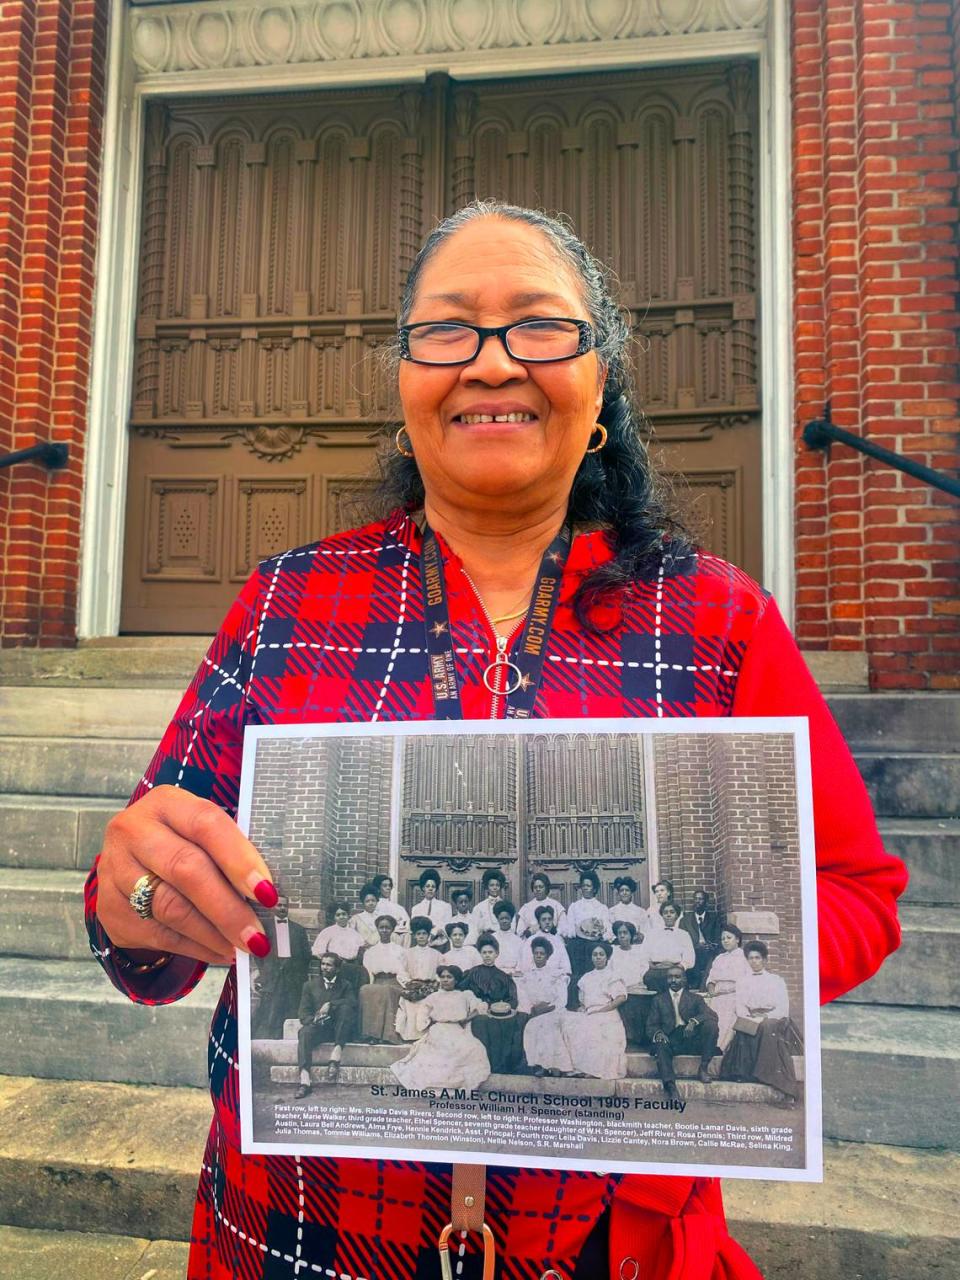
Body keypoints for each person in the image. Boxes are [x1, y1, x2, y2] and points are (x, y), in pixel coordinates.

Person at [87, 199, 906, 1279]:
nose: (490, 362)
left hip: (604, 1239)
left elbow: (857, 887)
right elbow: (138, 918)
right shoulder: (286, 602)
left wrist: (743, 954)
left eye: (539, 325)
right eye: (446, 331)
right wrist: (135, 896)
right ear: (405, 382)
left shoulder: (718, 618)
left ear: (602, 375)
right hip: (297, 1235)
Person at [720, 941, 801, 1106]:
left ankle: (779, 1082)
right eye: (751, 958)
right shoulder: (742, 981)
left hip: (774, 1019)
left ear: (764, 960)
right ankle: (747, 1072)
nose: (754, 962)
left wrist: (764, 1018)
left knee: (767, 1028)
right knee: (744, 1029)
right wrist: (749, 1017)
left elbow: (782, 1008)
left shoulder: (776, 980)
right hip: (750, 1017)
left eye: (758, 958)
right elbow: (740, 1006)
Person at [391, 965, 491, 1094]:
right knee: (439, 1051)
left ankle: (458, 1082)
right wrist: (428, 1023)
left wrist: (466, 1019)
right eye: (442, 977)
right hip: (439, 1030)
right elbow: (423, 1014)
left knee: (474, 1048)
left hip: (457, 1030)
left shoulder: (464, 995)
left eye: (449, 977)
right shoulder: (433, 997)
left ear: (456, 980)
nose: (445, 980)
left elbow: (481, 1007)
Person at [646, 966, 720, 1101]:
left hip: (691, 1038)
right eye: (670, 977)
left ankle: (703, 1068)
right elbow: (651, 1025)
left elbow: (711, 1015)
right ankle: (671, 1087)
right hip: (671, 1040)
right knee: (660, 1043)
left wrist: (693, 1021)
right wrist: (658, 1033)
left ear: (684, 979)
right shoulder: (659, 1000)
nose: (673, 980)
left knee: (711, 1025)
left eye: (677, 977)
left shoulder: (695, 998)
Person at [460, 936, 527, 1074]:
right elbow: (461, 991)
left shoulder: (503, 976)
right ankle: (485, 1065)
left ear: (496, 954)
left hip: (500, 1013)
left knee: (515, 1022)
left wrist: (503, 1007)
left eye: (490, 952)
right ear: (480, 954)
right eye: (484, 952)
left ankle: (502, 1066)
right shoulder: (473, 973)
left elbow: (512, 999)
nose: (487, 956)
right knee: (482, 1022)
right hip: (479, 1012)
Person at [561, 942, 627, 1080]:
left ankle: (595, 1070)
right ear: (591, 957)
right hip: (589, 1012)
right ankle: (579, 1067)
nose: (598, 957)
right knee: (571, 1026)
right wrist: (582, 1008)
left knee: (596, 1031)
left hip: (608, 1012)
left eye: (601, 954)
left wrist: (602, 1010)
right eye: (595, 955)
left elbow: (620, 998)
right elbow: (582, 1001)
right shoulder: (586, 977)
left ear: (607, 957)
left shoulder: (612, 975)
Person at [295, 953, 358, 1096]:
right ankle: (305, 1080)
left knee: (346, 1007)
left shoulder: (345, 985)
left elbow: (353, 1003)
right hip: (319, 1029)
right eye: (323, 964)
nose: (324, 968)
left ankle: (335, 1056)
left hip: (339, 1030)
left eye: (329, 965)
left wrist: (330, 1004)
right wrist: (314, 1019)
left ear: (337, 969)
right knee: (304, 1032)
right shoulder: (309, 985)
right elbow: (303, 1014)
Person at [249, 894, 310, 1040]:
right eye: (279, 905)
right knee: (270, 1007)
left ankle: (289, 1039)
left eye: (285, 905)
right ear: (273, 907)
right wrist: (264, 970)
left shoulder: (298, 930)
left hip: (292, 974)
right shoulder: (264, 927)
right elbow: (257, 951)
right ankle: (266, 1039)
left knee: (291, 1005)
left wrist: (298, 972)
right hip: (272, 973)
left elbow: (306, 955)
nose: (282, 908)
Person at [515, 939, 571, 1076]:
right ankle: (539, 1065)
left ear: (547, 956)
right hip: (535, 1012)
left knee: (547, 1025)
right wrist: (532, 1010)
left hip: (554, 1011)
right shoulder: (527, 976)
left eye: (542, 953)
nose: (539, 956)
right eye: (536, 953)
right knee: (533, 1026)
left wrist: (549, 1008)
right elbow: (524, 998)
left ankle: (554, 1066)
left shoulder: (556, 975)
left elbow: (562, 999)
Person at [561, 869, 614, 1002]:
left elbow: (608, 931)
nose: (585, 889)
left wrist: (599, 932)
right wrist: (580, 930)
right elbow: (568, 929)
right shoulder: (574, 907)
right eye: (583, 886)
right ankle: (576, 1004)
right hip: (578, 946)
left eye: (589, 886)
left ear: (595, 889)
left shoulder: (602, 908)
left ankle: (594, 1001)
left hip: (595, 945)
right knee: (577, 976)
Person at [358, 915, 407, 1043]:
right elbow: (368, 972)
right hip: (377, 981)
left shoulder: (399, 950)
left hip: (394, 982)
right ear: (377, 929)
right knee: (365, 990)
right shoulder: (371, 951)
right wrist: (371, 984)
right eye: (381, 927)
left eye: (387, 928)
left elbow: (402, 971)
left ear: (392, 930)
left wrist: (405, 986)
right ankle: (371, 1035)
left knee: (385, 990)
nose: (384, 930)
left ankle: (386, 1036)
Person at [704, 924, 753, 1053]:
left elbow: (748, 981)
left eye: (729, 937)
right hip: (717, 997)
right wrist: (711, 990)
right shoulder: (719, 958)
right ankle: (709, 1047)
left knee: (728, 1018)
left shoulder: (744, 958)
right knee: (711, 1018)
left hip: (735, 997)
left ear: (737, 939)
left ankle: (720, 1048)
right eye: (723, 938)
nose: (725, 940)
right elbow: (711, 980)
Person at [396, 915, 442, 1040]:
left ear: (428, 936)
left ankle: (427, 1036)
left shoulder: (437, 954)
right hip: (413, 987)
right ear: (414, 936)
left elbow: (440, 974)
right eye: (418, 934)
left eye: (424, 934)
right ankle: (411, 1036)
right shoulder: (407, 953)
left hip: (430, 988)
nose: (421, 936)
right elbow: (401, 972)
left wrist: (434, 985)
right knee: (410, 1003)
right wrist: (409, 984)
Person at [608, 920, 651, 1047]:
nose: (622, 936)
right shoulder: (613, 951)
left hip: (637, 986)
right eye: (619, 933)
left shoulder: (639, 951)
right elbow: (609, 972)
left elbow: (644, 969)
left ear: (631, 935)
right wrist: (621, 986)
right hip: (618, 988)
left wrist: (636, 983)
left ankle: (639, 1038)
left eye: (625, 933)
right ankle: (628, 1038)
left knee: (639, 1001)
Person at [642, 902, 696, 992]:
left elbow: (690, 958)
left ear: (677, 915)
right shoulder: (652, 934)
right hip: (655, 971)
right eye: (665, 912)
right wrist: (653, 966)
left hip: (676, 970)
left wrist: (677, 967)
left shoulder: (684, 934)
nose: (668, 915)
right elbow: (643, 955)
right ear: (662, 915)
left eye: (672, 912)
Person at [312, 900, 365, 991]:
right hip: (334, 968)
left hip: (351, 968)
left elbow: (360, 950)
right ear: (334, 917)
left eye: (344, 914)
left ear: (348, 915)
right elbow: (318, 951)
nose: (341, 917)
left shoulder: (354, 934)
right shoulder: (328, 932)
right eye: (338, 915)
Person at [681, 889, 721, 989]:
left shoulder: (714, 918)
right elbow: (681, 942)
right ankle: (694, 986)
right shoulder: (685, 920)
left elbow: (718, 937)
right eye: (695, 899)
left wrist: (711, 946)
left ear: (706, 902)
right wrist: (694, 946)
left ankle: (704, 987)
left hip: (709, 953)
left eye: (701, 899)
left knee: (711, 961)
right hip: (691, 953)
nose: (697, 901)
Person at [518, 903, 572, 977]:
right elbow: (525, 966)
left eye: (549, 919)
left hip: (554, 980)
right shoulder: (530, 941)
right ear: (539, 922)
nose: (547, 922)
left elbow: (566, 967)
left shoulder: (558, 941)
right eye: (544, 920)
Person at [515, 872, 567, 938]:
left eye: (541, 887)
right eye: (535, 887)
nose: (538, 889)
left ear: (546, 888)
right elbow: (520, 931)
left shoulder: (556, 905)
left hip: (552, 939)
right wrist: (530, 931)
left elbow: (564, 928)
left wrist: (552, 931)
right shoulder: (526, 907)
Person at [411, 869, 452, 945]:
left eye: (433, 886)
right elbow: (415, 927)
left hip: (440, 944)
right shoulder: (416, 908)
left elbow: (447, 926)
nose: (430, 889)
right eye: (427, 886)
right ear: (423, 888)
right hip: (422, 943)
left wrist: (435, 931)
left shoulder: (445, 906)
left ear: (436, 889)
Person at [371, 874, 409, 943]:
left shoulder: (399, 908)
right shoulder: (374, 907)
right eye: (385, 886)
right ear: (378, 888)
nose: (388, 888)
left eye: (389, 886)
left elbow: (406, 924)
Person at [469, 869, 507, 936]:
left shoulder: (506, 906)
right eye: (492, 885)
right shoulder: (479, 907)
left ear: (500, 887)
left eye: (497, 885)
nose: (494, 888)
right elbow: (474, 928)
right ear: (487, 887)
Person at [491, 901, 525, 975]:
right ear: (497, 919)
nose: (504, 921)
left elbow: (521, 962)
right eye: (502, 919)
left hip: (513, 975)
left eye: (507, 918)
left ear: (511, 919)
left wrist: (516, 972)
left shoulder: (518, 941)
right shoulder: (492, 938)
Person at [349, 884, 383, 949]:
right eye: (367, 901)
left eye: (373, 900)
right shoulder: (356, 919)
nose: (371, 903)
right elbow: (351, 936)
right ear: (363, 903)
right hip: (363, 951)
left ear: (377, 901)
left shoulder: (382, 918)